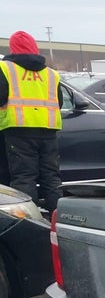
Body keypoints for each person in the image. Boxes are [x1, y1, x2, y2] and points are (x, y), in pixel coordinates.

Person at [0, 30, 63, 212]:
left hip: (18, 131)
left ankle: (30, 222)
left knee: (24, 178)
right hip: (48, 132)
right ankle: (58, 219)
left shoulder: (6, 69)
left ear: (13, 49)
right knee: (51, 177)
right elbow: (58, 101)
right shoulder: (51, 74)